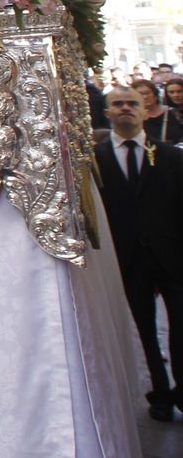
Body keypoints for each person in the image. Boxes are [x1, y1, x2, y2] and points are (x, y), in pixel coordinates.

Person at [93, 86, 183, 421]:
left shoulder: (170, 156)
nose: (126, 109)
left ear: (145, 111)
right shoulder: (96, 160)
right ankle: (158, 393)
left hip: (172, 256)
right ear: (107, 113)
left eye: (133, 103)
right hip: (127, 260)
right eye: (118, 104)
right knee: (142, 328)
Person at [134, 78, 182, 145]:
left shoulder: (173, 113)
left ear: (155, 94)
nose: (145, 97)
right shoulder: (134, 116)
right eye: (140, 94)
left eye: (148, 93)